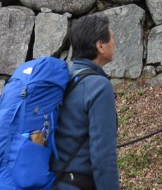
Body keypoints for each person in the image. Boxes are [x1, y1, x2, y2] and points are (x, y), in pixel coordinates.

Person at [53, 13, 119, 190]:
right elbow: (103, 156)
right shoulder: (98, 86)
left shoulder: (65, 78)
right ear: (100, 45)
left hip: (55, 181)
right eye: (112, 38)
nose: (114, 43)